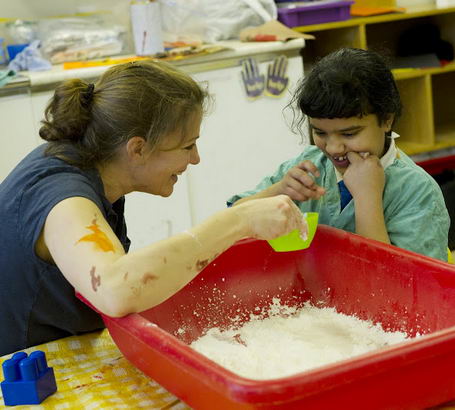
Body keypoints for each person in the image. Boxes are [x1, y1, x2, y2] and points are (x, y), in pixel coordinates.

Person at [0, 61, 308, 356]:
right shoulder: (63, 196)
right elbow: (116, 289)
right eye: (187, 146)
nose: (195, 159)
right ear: (137, 148)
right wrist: (238, 220)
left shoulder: (91, 162)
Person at [228, 48, 450, 262]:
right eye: (320, 132)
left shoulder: (418, 191)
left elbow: (401, 287)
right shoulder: (310, 164)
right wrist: (278, 191)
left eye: (349, 133)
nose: (333, 148)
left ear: (386, 120)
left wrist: (367, 198)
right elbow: (230, 224)